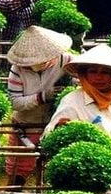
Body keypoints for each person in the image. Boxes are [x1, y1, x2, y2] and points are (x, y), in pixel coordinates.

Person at [43, 44, 111, 187]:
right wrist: (58, 130)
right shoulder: (72, 102)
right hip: (87, 182)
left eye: (105, 72)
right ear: (84, 74)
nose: (98, 77)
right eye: (93, 71)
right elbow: (48, 138)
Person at [5, 26, 74, 185]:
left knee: (57, 163)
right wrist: (42, 97)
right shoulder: (18, 70)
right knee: (18, 165)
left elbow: (81, 84)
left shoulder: (66, 61)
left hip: (57, 122)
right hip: (27, 123)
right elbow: (15, 102)